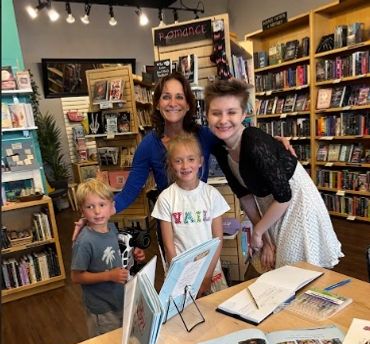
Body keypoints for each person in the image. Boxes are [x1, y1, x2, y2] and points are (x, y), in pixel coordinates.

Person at [72, 72, 294, 240]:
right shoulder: (148, 146)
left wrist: (274, 142)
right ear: (158, 104)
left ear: (188, 104)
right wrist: (95, 213)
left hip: (202, 221)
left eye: (179, 97)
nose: (173, 103)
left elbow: (238, 137)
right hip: (171, 225)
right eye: (166, 97)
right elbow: (130, 190)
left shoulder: (205, 136)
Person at [204, 78, 343, 270]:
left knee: (298, 268)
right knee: (278, 265)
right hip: (271, 203)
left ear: (244, 113)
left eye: (232, 112)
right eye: (216, 113)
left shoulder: (253, 141)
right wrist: (265, 238)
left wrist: (258, 232)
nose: (223, 120)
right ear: (207, 115)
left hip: (296, 201)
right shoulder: (220, 148)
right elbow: (244, 196)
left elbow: (285, 196)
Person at [152, 133, 230, 295]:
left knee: (215, 315)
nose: (185, 166)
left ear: (200, 161)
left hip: (211, 270)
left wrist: (207, 275)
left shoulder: (211, 194)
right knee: (184, 317)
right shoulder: (166, 198)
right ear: (170, 164)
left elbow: (218, 239)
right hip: (181, 272)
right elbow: (168, 245)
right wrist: (180, 275)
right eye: (178, 160)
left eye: (191, 159)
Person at [71, 179, 141, 338]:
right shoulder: (84, 241)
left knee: (122, 341)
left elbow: (117, 253)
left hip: (121, 299)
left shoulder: (112, 228)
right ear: (82, 210)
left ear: (111, 207)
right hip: (102, 310)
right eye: (90, 206)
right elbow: (76, 277)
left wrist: (133, 254)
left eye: (102, 205)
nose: (97, 211)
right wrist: (108, 275)